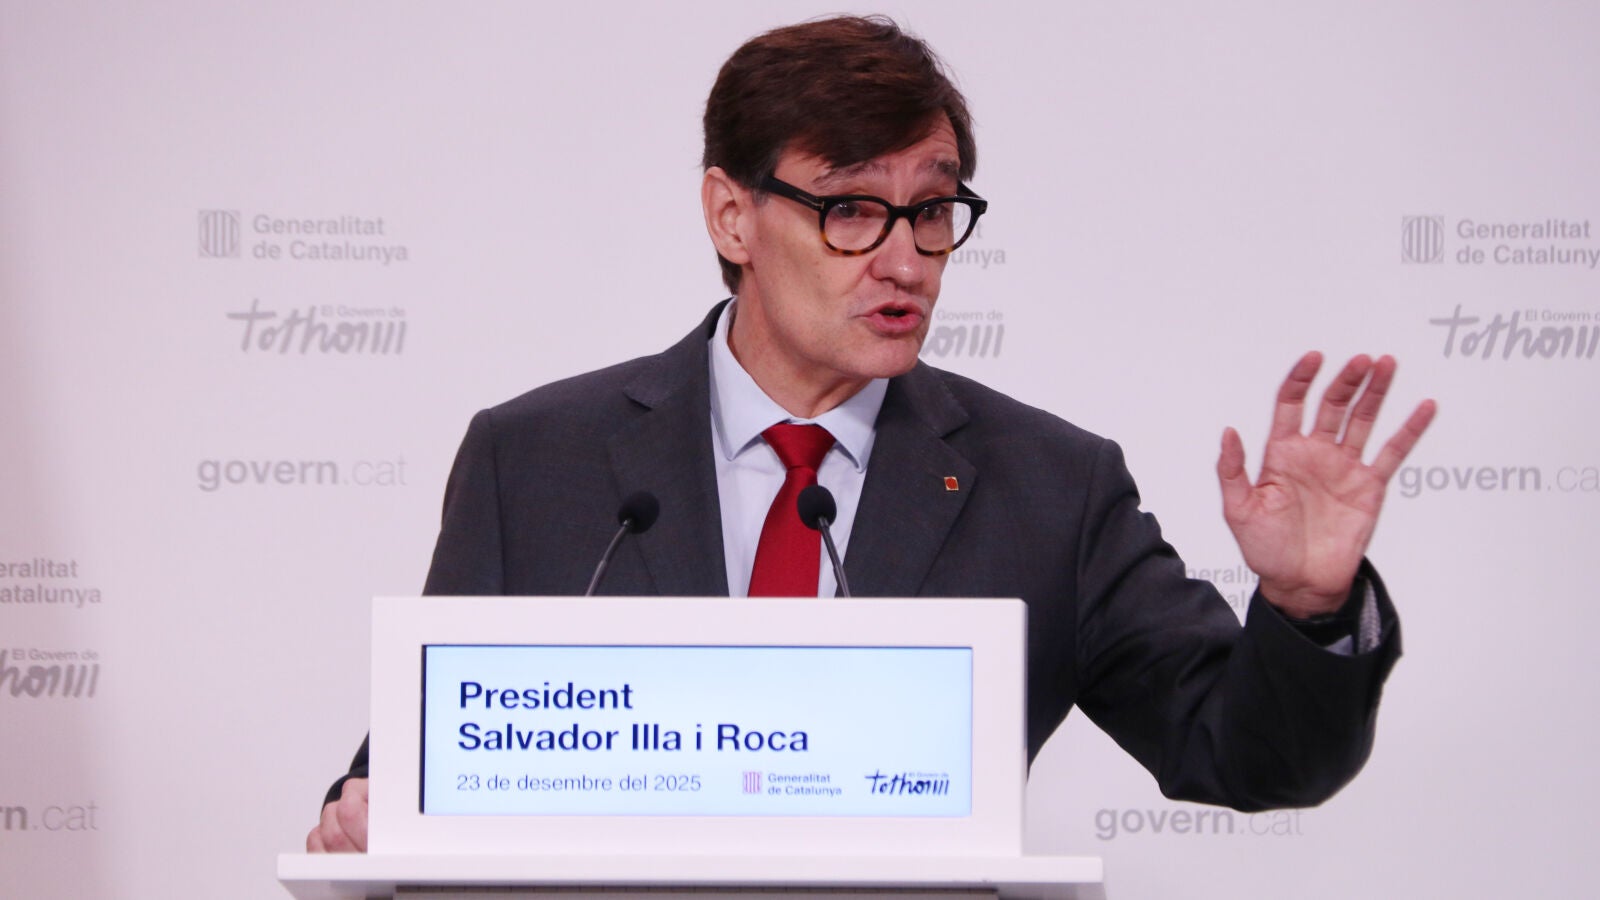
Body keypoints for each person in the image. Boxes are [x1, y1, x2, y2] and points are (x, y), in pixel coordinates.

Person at [307, 15, 1435, 853]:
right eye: (851, 209)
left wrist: (1309, 607)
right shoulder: (536, 461)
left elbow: (1246, 754)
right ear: (732, 215)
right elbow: (415, 772)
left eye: (932, 211)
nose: (905, 260)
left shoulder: (1051, 487)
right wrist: (367, 817)